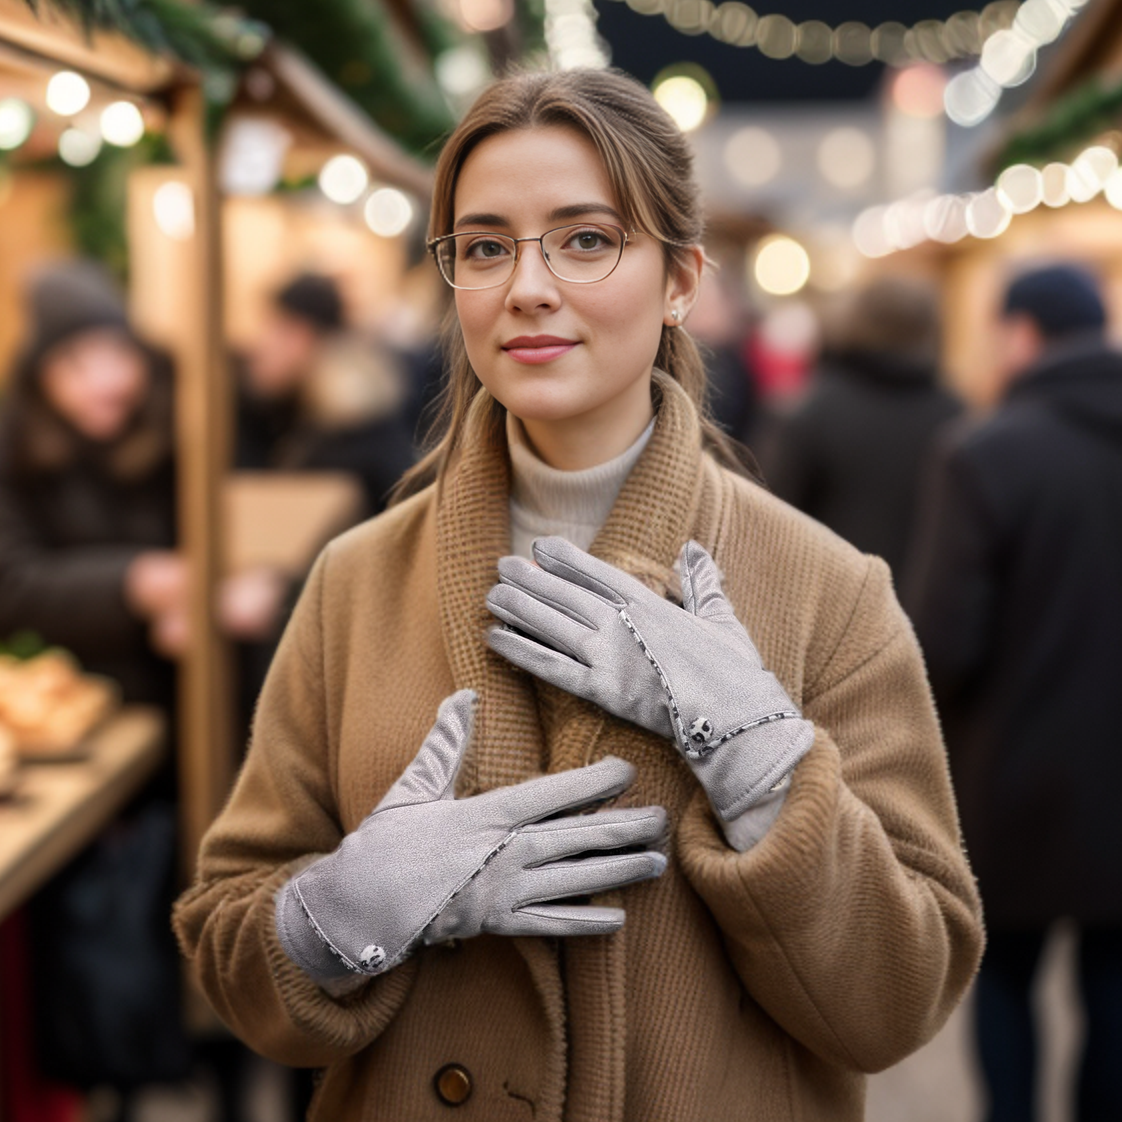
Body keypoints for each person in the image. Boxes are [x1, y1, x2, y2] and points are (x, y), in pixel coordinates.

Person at [174, 70, 983, 1121]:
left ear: (681, 278)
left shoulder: (830, 591)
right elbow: (230, 955)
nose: (527, 287)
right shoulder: (356, 580)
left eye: (586, 239)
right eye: (484, 247)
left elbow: (901, 999)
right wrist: (343, 910)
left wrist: (758, 757)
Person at [905, 263, 1122, 1122]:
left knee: (1002, 975)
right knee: (1116, 985)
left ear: (1023, 334)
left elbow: (946, 643)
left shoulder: (985, 452)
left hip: (1015, 770)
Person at [758, 276, 963, 582]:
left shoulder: (813, 411)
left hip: (825, 595)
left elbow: (769, 523)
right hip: (922, 602)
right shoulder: (959, 420)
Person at [236, 271, 416, 519]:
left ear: (301, 336)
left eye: (274, 328)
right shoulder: (302, 416)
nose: (260, 345)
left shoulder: (343, 442)